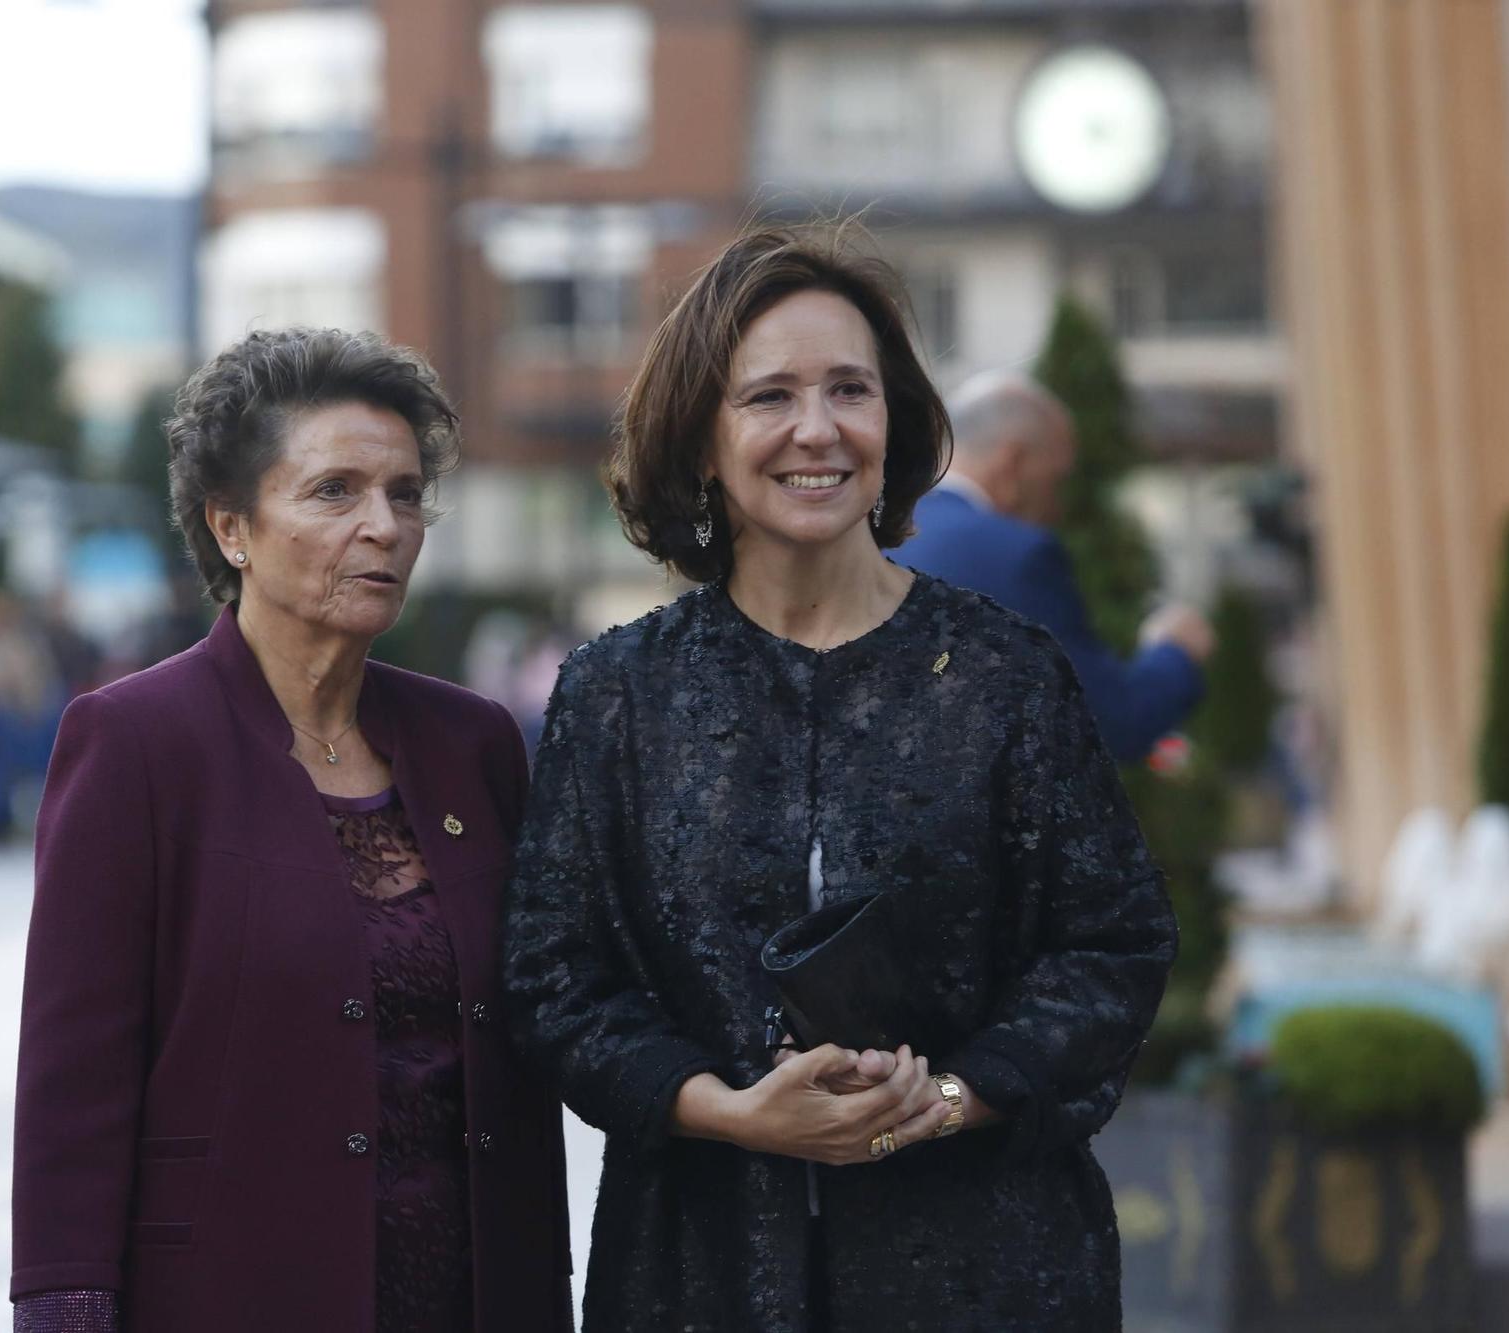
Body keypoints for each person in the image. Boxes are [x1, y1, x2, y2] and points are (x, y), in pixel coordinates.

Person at [503, 226, 1178, 1331]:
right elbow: (551, 979)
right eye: (767, 395)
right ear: (700, 438)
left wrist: (953, 1098)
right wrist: (723, 1108)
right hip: (701, 1268)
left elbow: (1113, 944)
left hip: (986, 1266)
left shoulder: (1006, 676)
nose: (814, 428)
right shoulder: (618, 692)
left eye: (848, 389)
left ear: (892, 421)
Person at [12, 328, 571, 1332]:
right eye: (334, 491)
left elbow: (547, 1006)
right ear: (231, 527)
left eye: (405, 494)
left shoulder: (471, 741)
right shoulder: (134, 741)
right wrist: (64, 1305)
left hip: (474, 1288)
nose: (385, 525)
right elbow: (73, 1077)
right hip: (235, 1287)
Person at [888, 370, 1214, 761]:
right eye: (1056, 481)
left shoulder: (881, 534)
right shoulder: (1016, 555)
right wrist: (1174, 651)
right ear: (1013, 461)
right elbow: (1109, 725)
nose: (1058, 506)